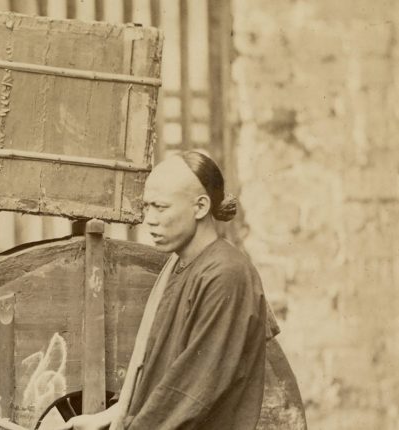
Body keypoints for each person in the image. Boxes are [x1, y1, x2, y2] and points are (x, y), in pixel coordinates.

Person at [59, 151, 280, 430]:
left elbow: (191, 393)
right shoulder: (180, 264)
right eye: (147, 207)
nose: (149, 219)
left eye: (160, 208)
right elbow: (158, 377)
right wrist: (111, 416)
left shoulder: (226, 274)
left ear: (200, 207)